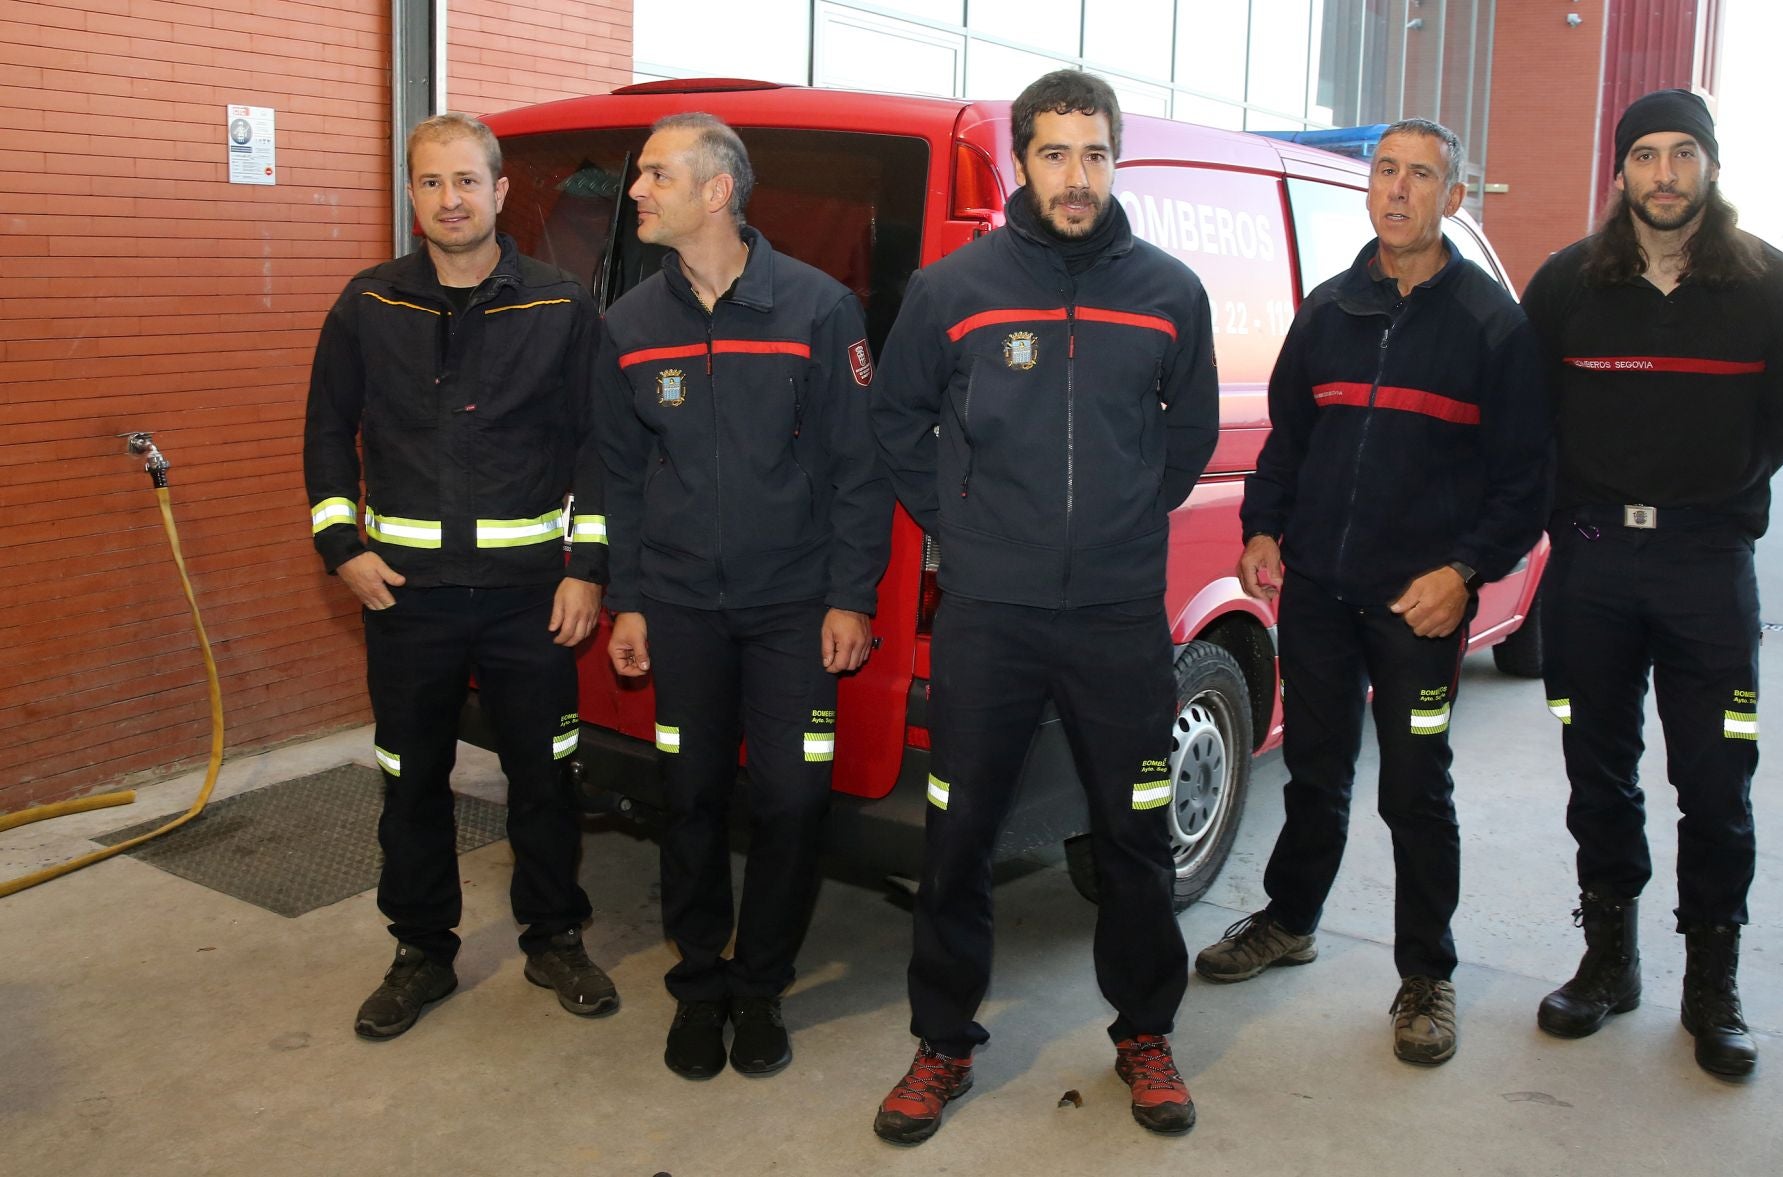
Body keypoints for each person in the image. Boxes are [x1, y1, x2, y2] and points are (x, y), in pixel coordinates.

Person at [868, 70, 1219, 1143]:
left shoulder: (1169, 291)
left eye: (1097, 154)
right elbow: (896, 417)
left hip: (1118, 614)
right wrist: (969, 526)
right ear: (1021, 160)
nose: (1078, 177)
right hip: (991, 612)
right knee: (959, 831)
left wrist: (1116, 524)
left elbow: (1188, 435)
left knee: (1135, 835)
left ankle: (1145, 1034)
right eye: (1057, 154)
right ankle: (941, 1042)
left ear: (1119, 161)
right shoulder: (954, 287)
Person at [1195, 118, 1551, 1067]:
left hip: (1418, 608)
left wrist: (1463, 572)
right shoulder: (1328, 311)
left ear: (1454, 197)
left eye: (1421, 174)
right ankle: (1290, 919)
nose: (1397, 190)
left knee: (1415, 790)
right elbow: (1288, 442)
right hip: (1318, 590)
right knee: (1313, 771)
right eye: (1385, 171)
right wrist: (1263, 529)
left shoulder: (1490, 327)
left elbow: (1526, 484)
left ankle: (1427, 974)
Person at [1521, 89, 1783, 1078]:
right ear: (1620, 172)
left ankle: (1712, 984)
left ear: (1710, 168)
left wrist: (1710, 490)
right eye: (1645, 154)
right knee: (1597, 775)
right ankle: (1609, 964)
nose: (1662, 173)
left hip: (1706, 567)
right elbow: (1534, 416)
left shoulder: (1774, 288)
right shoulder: (1566, 284)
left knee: (1716, 782)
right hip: (1593, 563)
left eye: (1681, 154)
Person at [304, 113, 616, 1040]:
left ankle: (555, 935)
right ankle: (421, 950)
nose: (451, 200)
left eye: (468, 182)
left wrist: (588, 567)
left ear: (501, 191)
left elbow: (598, 445)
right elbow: (327, 433)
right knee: (411, 780)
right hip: (406, 597)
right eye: (432, 183)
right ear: (412, 194)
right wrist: (342, 547)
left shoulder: (560, 304)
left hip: (530, 599)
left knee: (546, 778)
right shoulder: (368, 305)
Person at [596, 113, 892, 1080]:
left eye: (654, 175)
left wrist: (852, 595)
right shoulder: (631, 325)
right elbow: (619, 477)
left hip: (792, 614)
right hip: (679, 612)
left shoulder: (817, 309)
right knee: (686, 794)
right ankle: (699, 981)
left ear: (717, 191)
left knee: (794, 797)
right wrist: (628, 599)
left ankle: (760, 982)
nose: (635, 191)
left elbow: (859, 468)